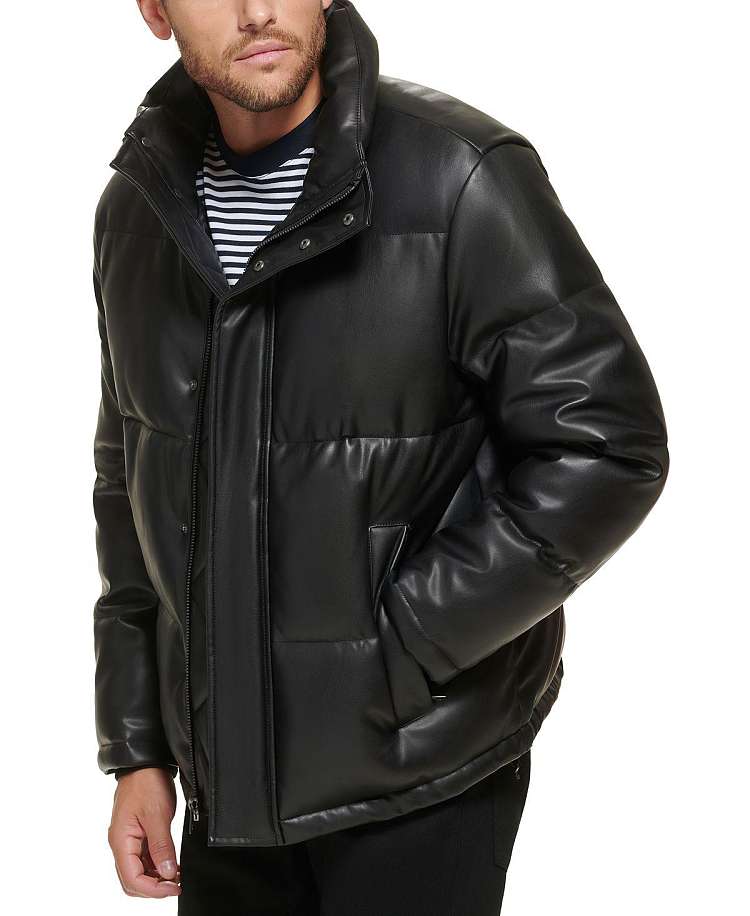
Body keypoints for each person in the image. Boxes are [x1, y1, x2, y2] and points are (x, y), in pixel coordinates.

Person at [92, 1, 670, 912]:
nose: (257, 10)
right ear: (155, 9)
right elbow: (128, 479)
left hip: (419, 778)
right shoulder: (137, 209)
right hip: (225, 788)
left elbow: (607, 443)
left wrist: (406, 643)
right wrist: (138, 750)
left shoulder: (459, 177)